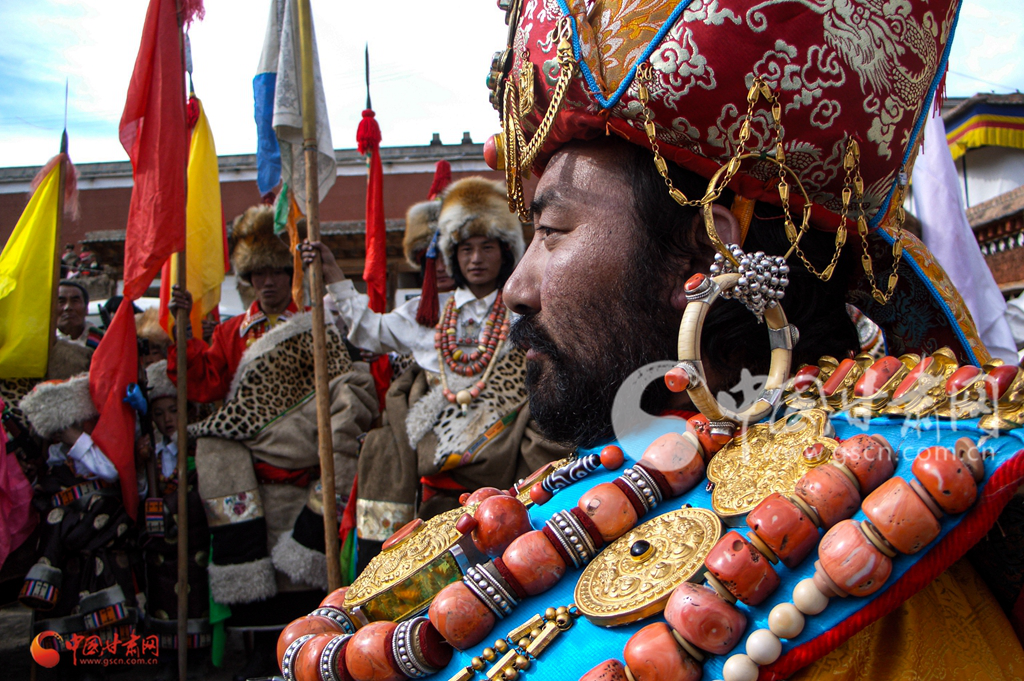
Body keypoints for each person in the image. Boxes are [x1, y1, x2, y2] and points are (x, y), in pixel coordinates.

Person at [301, 177, 569, 562]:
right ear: (451, 255)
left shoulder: (523, 311)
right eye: (466, 249)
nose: (476, 259)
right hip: (434, 477)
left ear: (506, 252)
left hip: (507, 470)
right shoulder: (425, 313)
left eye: (487, 247)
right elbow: (370, 330)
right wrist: (333, 276)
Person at [16, 375, 141, 670]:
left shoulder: (100, 447)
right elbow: (45, 495)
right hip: (68, 547)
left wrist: (77, 439)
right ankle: (69, 660)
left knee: (100, 586)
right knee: (67, 592)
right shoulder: (53, 459)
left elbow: (111, 473)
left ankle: (99, 662)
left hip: (101, 535)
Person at [167, 204, 301, 403]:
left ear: (291, 275)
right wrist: (183, 325)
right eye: (260, 273)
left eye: (277, 272)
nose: (268, 282)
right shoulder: (229, 333)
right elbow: (204, 383)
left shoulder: (312, 322)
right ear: (249, 277)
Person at [137, 360, 212, 666]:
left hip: (193, 538)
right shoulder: (153, 454)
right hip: (162, 545)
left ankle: (198, 656)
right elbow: (142, 491)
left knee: (195, 595)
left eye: (172, 410)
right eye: (158, 413)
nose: (166, 419)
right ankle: (168, 656)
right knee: (162, 594)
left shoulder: (199, 448)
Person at [55, 280, 103, 350]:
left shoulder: (103, 341)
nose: (68, 307)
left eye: (75, 301)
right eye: (61, 302)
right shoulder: (45, 342)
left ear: (86, 309)